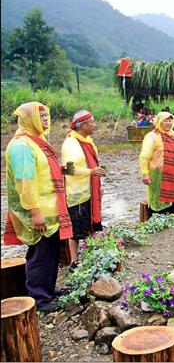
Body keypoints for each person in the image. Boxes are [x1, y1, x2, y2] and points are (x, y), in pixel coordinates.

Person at [3, 102, 73, 313]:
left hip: (50, 209)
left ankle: (47, 289)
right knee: (40, 254)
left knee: (48, 252)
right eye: (40, 117)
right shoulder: (22, 146)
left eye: (46, 116)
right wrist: (34, 211)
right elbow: (25, 181)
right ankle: (40, 299)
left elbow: (43, 170)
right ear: (28, 119)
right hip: (39, 211)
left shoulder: (37, 141)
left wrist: (62, 169)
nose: (45, 121)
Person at [62, 110, 106, 273]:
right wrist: (91, 172)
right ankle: (74, 261)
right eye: (92, 122)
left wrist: (98, 183)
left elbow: (94, 164)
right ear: (84, 125)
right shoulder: (71, 144)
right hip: (77, 193)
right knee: (76, 229)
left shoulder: (87, 141)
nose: (95, 125)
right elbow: (68, 170)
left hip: (90, 189)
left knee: (91, 225)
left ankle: (89, 257)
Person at [139, 112, 174, 217]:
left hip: (173, 173)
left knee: (173, 198)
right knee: (158, 199)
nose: (168, 123)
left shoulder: (173, 134)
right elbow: (144, 156)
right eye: (165, 120)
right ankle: (156, 220)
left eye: (170, 120)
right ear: (159, 122)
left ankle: (172, 221)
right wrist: (145, 173)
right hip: (158, 174)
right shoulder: (152, 136)